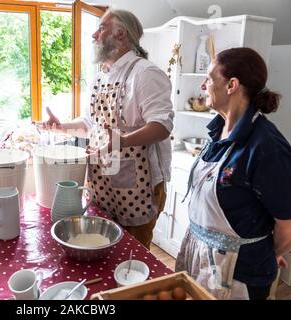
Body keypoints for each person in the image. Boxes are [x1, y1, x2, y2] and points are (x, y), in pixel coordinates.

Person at [40, 9, 173, 249]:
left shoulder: (145, 73)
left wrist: (119, 141)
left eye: (101, 28)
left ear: (121, 34)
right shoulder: (100, 78)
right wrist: (60, 127)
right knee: (104, 246)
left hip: (138, 184)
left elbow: (161, 126)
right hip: (103, 180)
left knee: (133, 253)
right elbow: (91, 125)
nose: (94, 35)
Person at [175, 47, 291, 300]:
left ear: (231, 85)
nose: (204, 86)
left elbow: (287, 224)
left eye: (209, 78)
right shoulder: (219, 130)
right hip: (202, 255)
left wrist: (265, 253)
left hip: (238, 272)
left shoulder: (267, 147)